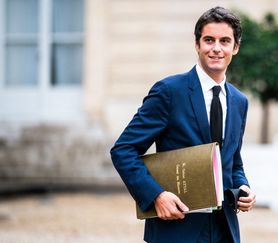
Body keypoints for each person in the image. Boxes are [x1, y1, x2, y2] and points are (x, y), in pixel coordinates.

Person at [110, 6, 256, 243]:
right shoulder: (169, 91)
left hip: (225, 231)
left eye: (224, 41)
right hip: (176, 229)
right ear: (197, 45)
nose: (216, 48)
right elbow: (123, 150)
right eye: (209, 40)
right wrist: (155, 196)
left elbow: (233, 161)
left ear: (235, 47)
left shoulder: (240, 101)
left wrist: (243, 187)